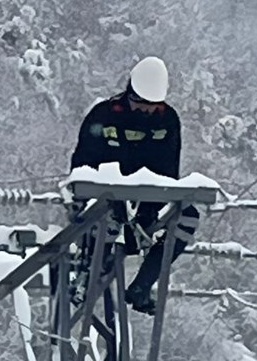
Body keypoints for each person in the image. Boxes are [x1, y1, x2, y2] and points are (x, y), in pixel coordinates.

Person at [69, 56, 200, 315]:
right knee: (105, 218)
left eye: (154, 107)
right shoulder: (104, 116)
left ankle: (143, 284)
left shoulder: (168, 121)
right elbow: (82, 168)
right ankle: (92, 274)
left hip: (145, 206)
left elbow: (168, 173)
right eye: (141, 105)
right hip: (102, 205)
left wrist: (149, 210)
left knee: (187, 217)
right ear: (129, 95)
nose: (147, 112)